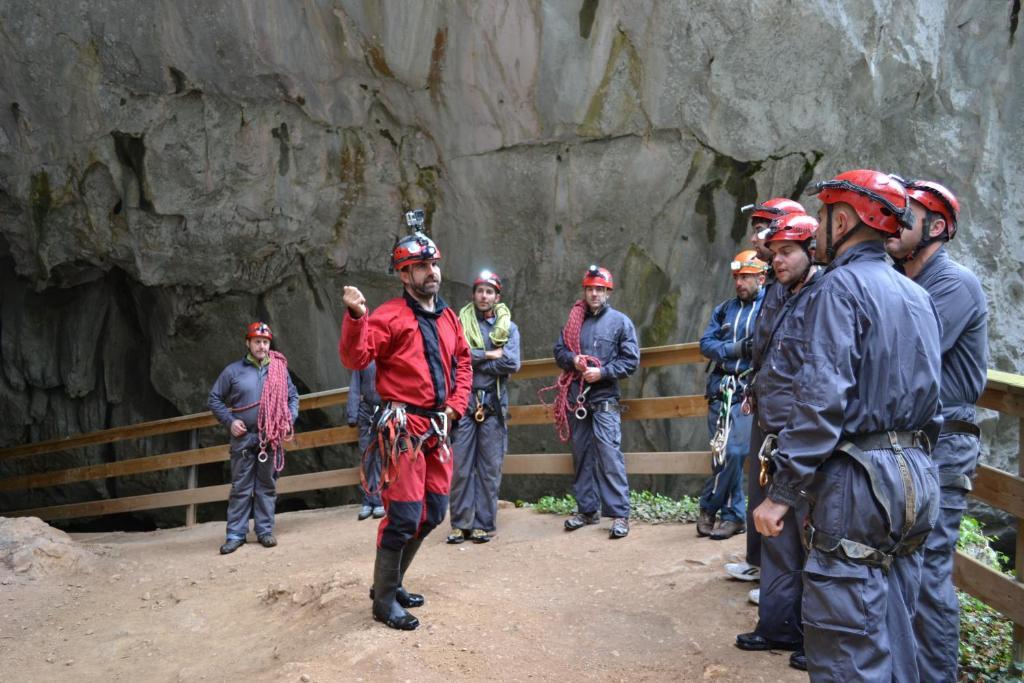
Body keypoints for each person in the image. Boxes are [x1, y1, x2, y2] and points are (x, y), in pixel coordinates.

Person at [752, 169, 942, 681]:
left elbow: (821, 398)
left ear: (843, 219)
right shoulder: (915, 295)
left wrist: (782, 492)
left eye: (822, 218)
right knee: (896, 624)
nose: (815, 231)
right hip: (917, 476)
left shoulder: (840, 288)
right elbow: (934, 403)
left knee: (845, 641)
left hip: (858, 483)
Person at [339, 210, 472, 631]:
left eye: (433, 264)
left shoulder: (449, 317)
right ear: (404, 274)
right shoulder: (390, 316)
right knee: (402, 516)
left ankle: (393, 584)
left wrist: (456, 404)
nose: (430, 272)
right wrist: (357, 319)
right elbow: (356, 357)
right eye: (420, 267)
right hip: (405, 431)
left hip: (437, 428)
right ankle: (382, 601)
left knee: (433, 512)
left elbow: (464, 361)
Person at [885, 177, 988, 682]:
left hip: (945, 442)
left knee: (928, 573)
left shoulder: (953, 285)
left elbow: (904, 350)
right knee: (904, 565)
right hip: (913, 441)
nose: (896, 222)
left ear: (938, 227)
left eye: (908, 216)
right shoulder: (907, 282)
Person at [735, 212, 821, 671]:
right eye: (777, 249)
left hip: (802, 430)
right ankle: (778, 625)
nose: (779, 255)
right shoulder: (779, 291)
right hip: (773, 422)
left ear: (811, 250)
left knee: (809, 532)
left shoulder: (821, 293)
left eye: (789, 250)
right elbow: (770, 353)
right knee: (779, 535)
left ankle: (813, 633)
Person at [726, 198, 806, 583]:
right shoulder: (776, 284)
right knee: (759, 487)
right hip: (765, 397)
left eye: (763, 227)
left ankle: (777, 580)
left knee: (782, 492)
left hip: (789, 408)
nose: (757, 236)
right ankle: (762, 567)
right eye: (755, 228)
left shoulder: (795, 283)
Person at [550, 265, 639, 539]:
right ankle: (587, 510)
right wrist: (572, 360)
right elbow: (559, 349)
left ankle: (620, 515)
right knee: (582, 454)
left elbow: (631, 360)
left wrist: (602, 372)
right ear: (585, 291)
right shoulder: (575, 320)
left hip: (603, 398)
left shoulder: (621, 323)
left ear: (608, 292)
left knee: (609, 454)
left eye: (600, 289)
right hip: (577, 399)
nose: (594, 294)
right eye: (590, 289)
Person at [208, 322, 299, 555]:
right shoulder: (233, 371)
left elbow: (292, 397)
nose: (261, 346)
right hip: (243, 438)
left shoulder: (278, 370)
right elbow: (215, 399)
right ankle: (236, 534)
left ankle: (264, 531)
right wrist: (230, 421)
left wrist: (288, 419)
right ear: (247, 343)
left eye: (265, 342)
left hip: (269, 437)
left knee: (266, 486)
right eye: (257, 341)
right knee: (241, 487)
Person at [447, 270, 522, 544]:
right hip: (464, 402)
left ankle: (483, 524)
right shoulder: (459, 325)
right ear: (473, 294)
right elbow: (456, 359)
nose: (484, 296)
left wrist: (473, 359)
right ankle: (460, 523)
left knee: (489, 467)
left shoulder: (509, 328)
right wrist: (489, 354)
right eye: (480, 290)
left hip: (492, 403)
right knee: (461, 466)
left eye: (489, 291)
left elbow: (512, 363)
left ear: (497, 296)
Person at [696, 250, 766, 540]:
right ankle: (734, 515)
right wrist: (735, 349)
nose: (740, 282)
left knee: (735, 452)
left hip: (748, 391)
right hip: (721, 389)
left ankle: (710, 506)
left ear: (762, 278)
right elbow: (706, 343)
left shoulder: (769, 308)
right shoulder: (724, 310)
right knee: (721, 453)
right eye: (737, 277)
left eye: (746, 277)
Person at [346, 362, 386, 520]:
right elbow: (355, 387)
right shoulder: (362, 359)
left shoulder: (387, 353)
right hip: (366, 412)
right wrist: (352, 414)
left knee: (382, 456)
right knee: (366, 457)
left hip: (385, 410)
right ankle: (368, 500)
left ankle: (380, 500)